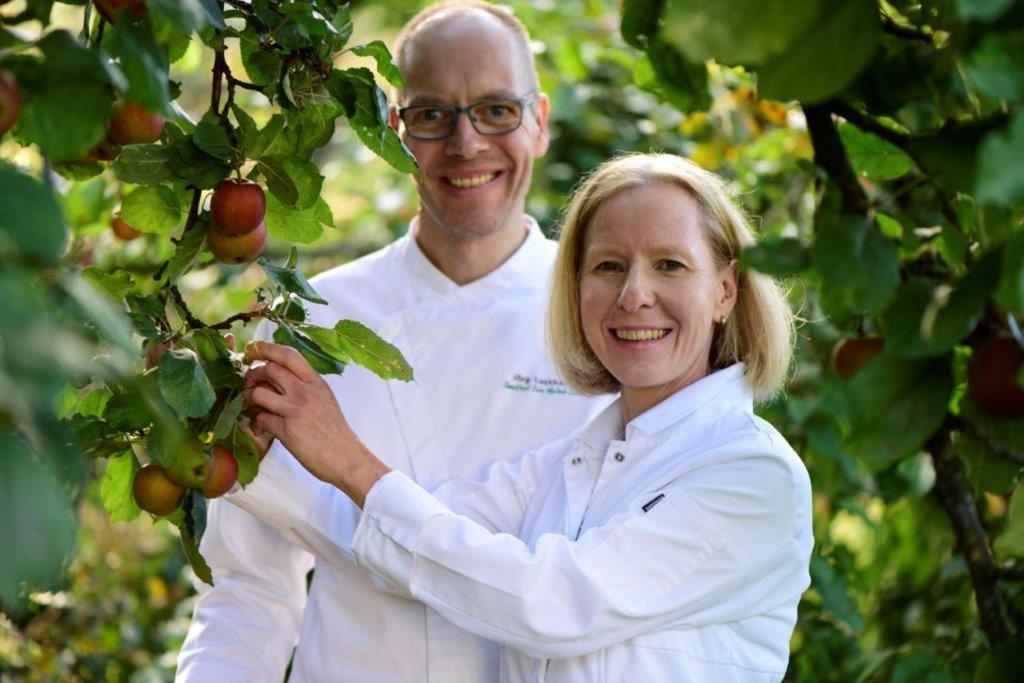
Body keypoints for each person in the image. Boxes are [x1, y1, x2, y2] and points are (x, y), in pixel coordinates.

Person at [232, 153, 814, 682]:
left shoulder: (752, 473)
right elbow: (396, 543)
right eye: (609, 266)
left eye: (669, 265)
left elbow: (550, 606)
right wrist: (237, 458)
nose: (635, 294)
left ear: (726, 290)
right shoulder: (572, 463)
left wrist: (348, 458)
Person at [176, 2, 610, 680]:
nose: (467, 144)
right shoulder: (312, 322)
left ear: (541, 122)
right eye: (432, 114)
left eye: (497, 109)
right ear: (395, 129)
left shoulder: (610, 324)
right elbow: (248, 589)